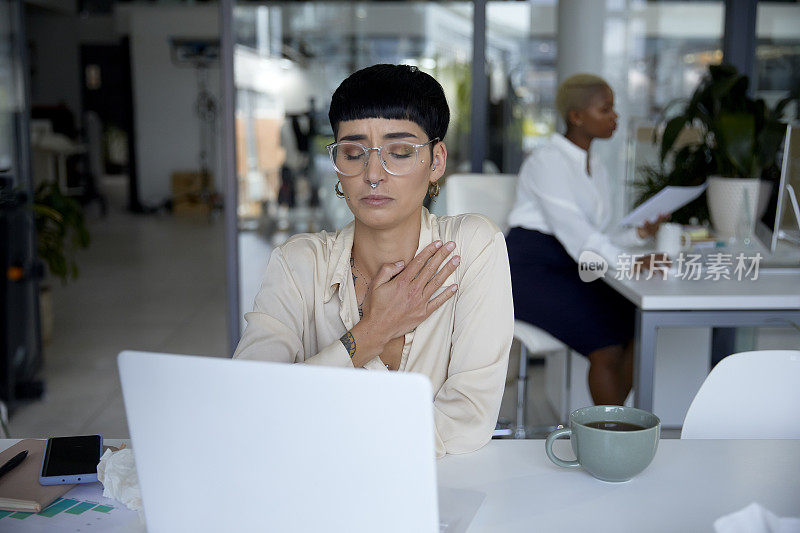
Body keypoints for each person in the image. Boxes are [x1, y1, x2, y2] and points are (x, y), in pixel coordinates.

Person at [235, 64, 514, 458]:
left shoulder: (470, 247)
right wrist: (372, 332)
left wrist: (322, 432)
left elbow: (468, 420)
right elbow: (249, 405)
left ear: (436, 162)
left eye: (399, 152)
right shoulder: (300, 262)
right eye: (353, 152)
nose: (372, 174)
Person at [505, 73, 667, 406]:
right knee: (606, 347)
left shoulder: (598, 168)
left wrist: (637, 235)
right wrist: (629, 262)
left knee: (640, 322)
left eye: (613, 109)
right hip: (530, 268)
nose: (615, 117)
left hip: (571, 262)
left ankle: (610, 423)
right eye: (605, 109)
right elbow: (576, 233)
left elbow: (596, 234)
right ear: (576, 117)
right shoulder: (547, 161)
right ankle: (610, 435)